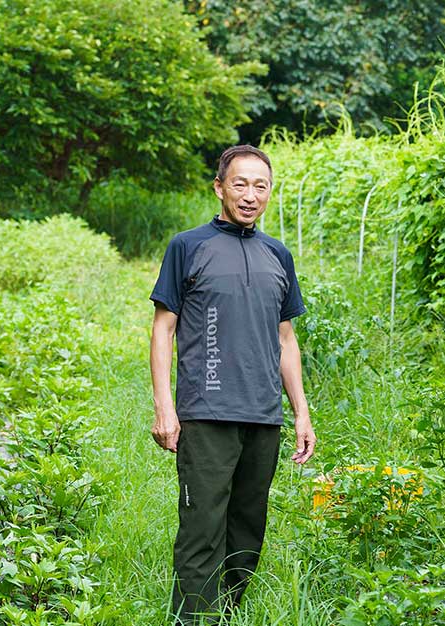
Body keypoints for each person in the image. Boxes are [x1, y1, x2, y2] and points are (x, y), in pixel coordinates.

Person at [149, 144, 316, 623]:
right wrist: (166, 406)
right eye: (240, 184)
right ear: (219, 187)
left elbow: (286, 339)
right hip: (206, 412)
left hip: (264, 416)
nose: (250, 195)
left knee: (247, 529)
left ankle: (230, 613)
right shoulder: (188, 246)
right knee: (202, 528)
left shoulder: (277, 255)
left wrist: (300, 411)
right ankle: (194, 619)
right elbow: (164, 328)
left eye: (260, 185)